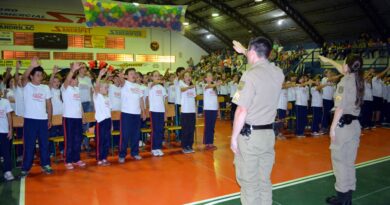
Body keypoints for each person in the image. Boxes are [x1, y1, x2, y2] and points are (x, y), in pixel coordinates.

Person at [230, 37, 284, 205]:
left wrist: (233, 138)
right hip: (268, 135)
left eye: (248, 52)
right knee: (264, 180)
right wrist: (245, 50)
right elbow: (261, 59)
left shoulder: (249, 75)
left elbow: (241, 110)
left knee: (249, 183)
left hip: (250, 137)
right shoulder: (278, 73)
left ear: (252, 52)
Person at [319, 54, 364, 204]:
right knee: (349, 162)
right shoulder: (358, 79)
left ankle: (342, 199)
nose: (342, 66)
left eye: (344, 63)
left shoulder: (345, 81)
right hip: (355, 125)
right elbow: (343, 69)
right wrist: (329, 61)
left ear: (347, 66)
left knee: (339, 163)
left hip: (343, 126)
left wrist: (332, 128)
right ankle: (347, 197)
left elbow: (339, 108)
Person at [20, 57, 53, 176]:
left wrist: (49, 119)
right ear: (32, 76)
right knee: (29, 145)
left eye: (41, 75)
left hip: (43, 120)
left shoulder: (45, 88)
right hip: (30, 120)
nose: (40, 77)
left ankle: (46, 165)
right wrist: (31, 66)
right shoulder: (27, 86)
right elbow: (23, 78)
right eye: (37, 75)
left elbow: (49, 104)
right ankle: (25, 168)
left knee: (45, 144)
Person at [118, 68, 146, 163]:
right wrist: (121, 75)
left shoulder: (138, 86)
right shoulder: (124, 84)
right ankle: (122, 155)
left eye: (134, 73)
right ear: (126, 76)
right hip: (126, 114)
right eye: (131, 74)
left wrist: (143, 111)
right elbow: (121, 79)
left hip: (137, 114)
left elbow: (141, 100)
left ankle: (135, 153)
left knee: (136, 135)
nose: (133, 75)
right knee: (125, 135)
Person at [61, 62, 86, 170]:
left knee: (78, 139)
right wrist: (72, 70)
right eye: (74, 79)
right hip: (68, 118)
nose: (77, 81)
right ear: (70, 80)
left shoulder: (76, 89)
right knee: (69, 139)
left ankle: (76, 159)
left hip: (78, 118)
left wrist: (83, 115)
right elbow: (67, 80)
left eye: (76, 79)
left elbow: (79, 103)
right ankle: (68, 160)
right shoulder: (65, 88)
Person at [93, 68, 112, 166]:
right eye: (105, 88)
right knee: (100, 141)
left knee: (106, 140)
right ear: (99, 89)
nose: (107, 89)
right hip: (101, 122)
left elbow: (109, 111)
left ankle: (104, 157)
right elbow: (97, 86)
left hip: (108, 121)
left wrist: (111, 123)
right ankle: (99, 158)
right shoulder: (97, 96)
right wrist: (100, 76)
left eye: (107, 88)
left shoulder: (107, 98)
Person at [147, 70, 167, 157]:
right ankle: (154, 148)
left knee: (160, 130)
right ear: (151, 77)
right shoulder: (150, 85)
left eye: (158, 76)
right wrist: (157, 81)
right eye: (155, 76)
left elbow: (165, 100)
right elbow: (153, 84)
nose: (157, 77)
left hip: (161, 111)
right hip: (154, 111)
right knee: (155, 130)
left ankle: (159, 147)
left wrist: (165, 112)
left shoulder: (162, 88)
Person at [180, 71, 197, 154]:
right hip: (185, 111)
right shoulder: (182, 84)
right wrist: (190, 87)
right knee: (185, 129)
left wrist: (195, 111)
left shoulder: (193, 87)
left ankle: (190, 145)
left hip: (192, 111)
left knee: (191, 129)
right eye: (186, 76)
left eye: (189, 76)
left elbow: (193, 98)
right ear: (184, 78)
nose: (188, 78)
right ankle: (184, 146)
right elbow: (182, 90)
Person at [203, 72, 220, 150]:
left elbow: (216, 99)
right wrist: (216, 84)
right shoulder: (204, 85)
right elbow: (209, 86)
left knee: (212, 126)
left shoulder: (214, 88)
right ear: (206, 79)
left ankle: (211, 142)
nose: (211, 77)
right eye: (209, 76)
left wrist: (218, 110)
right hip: (208, 109)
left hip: (214, 109)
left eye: (211, 75)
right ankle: (207, 143)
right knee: (208, 126)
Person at [0, 90, 14, 181]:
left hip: (4, 131)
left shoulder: (5, 102)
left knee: (6, 153)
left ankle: (8, 171)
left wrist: (10, 130)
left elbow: (9, 116)